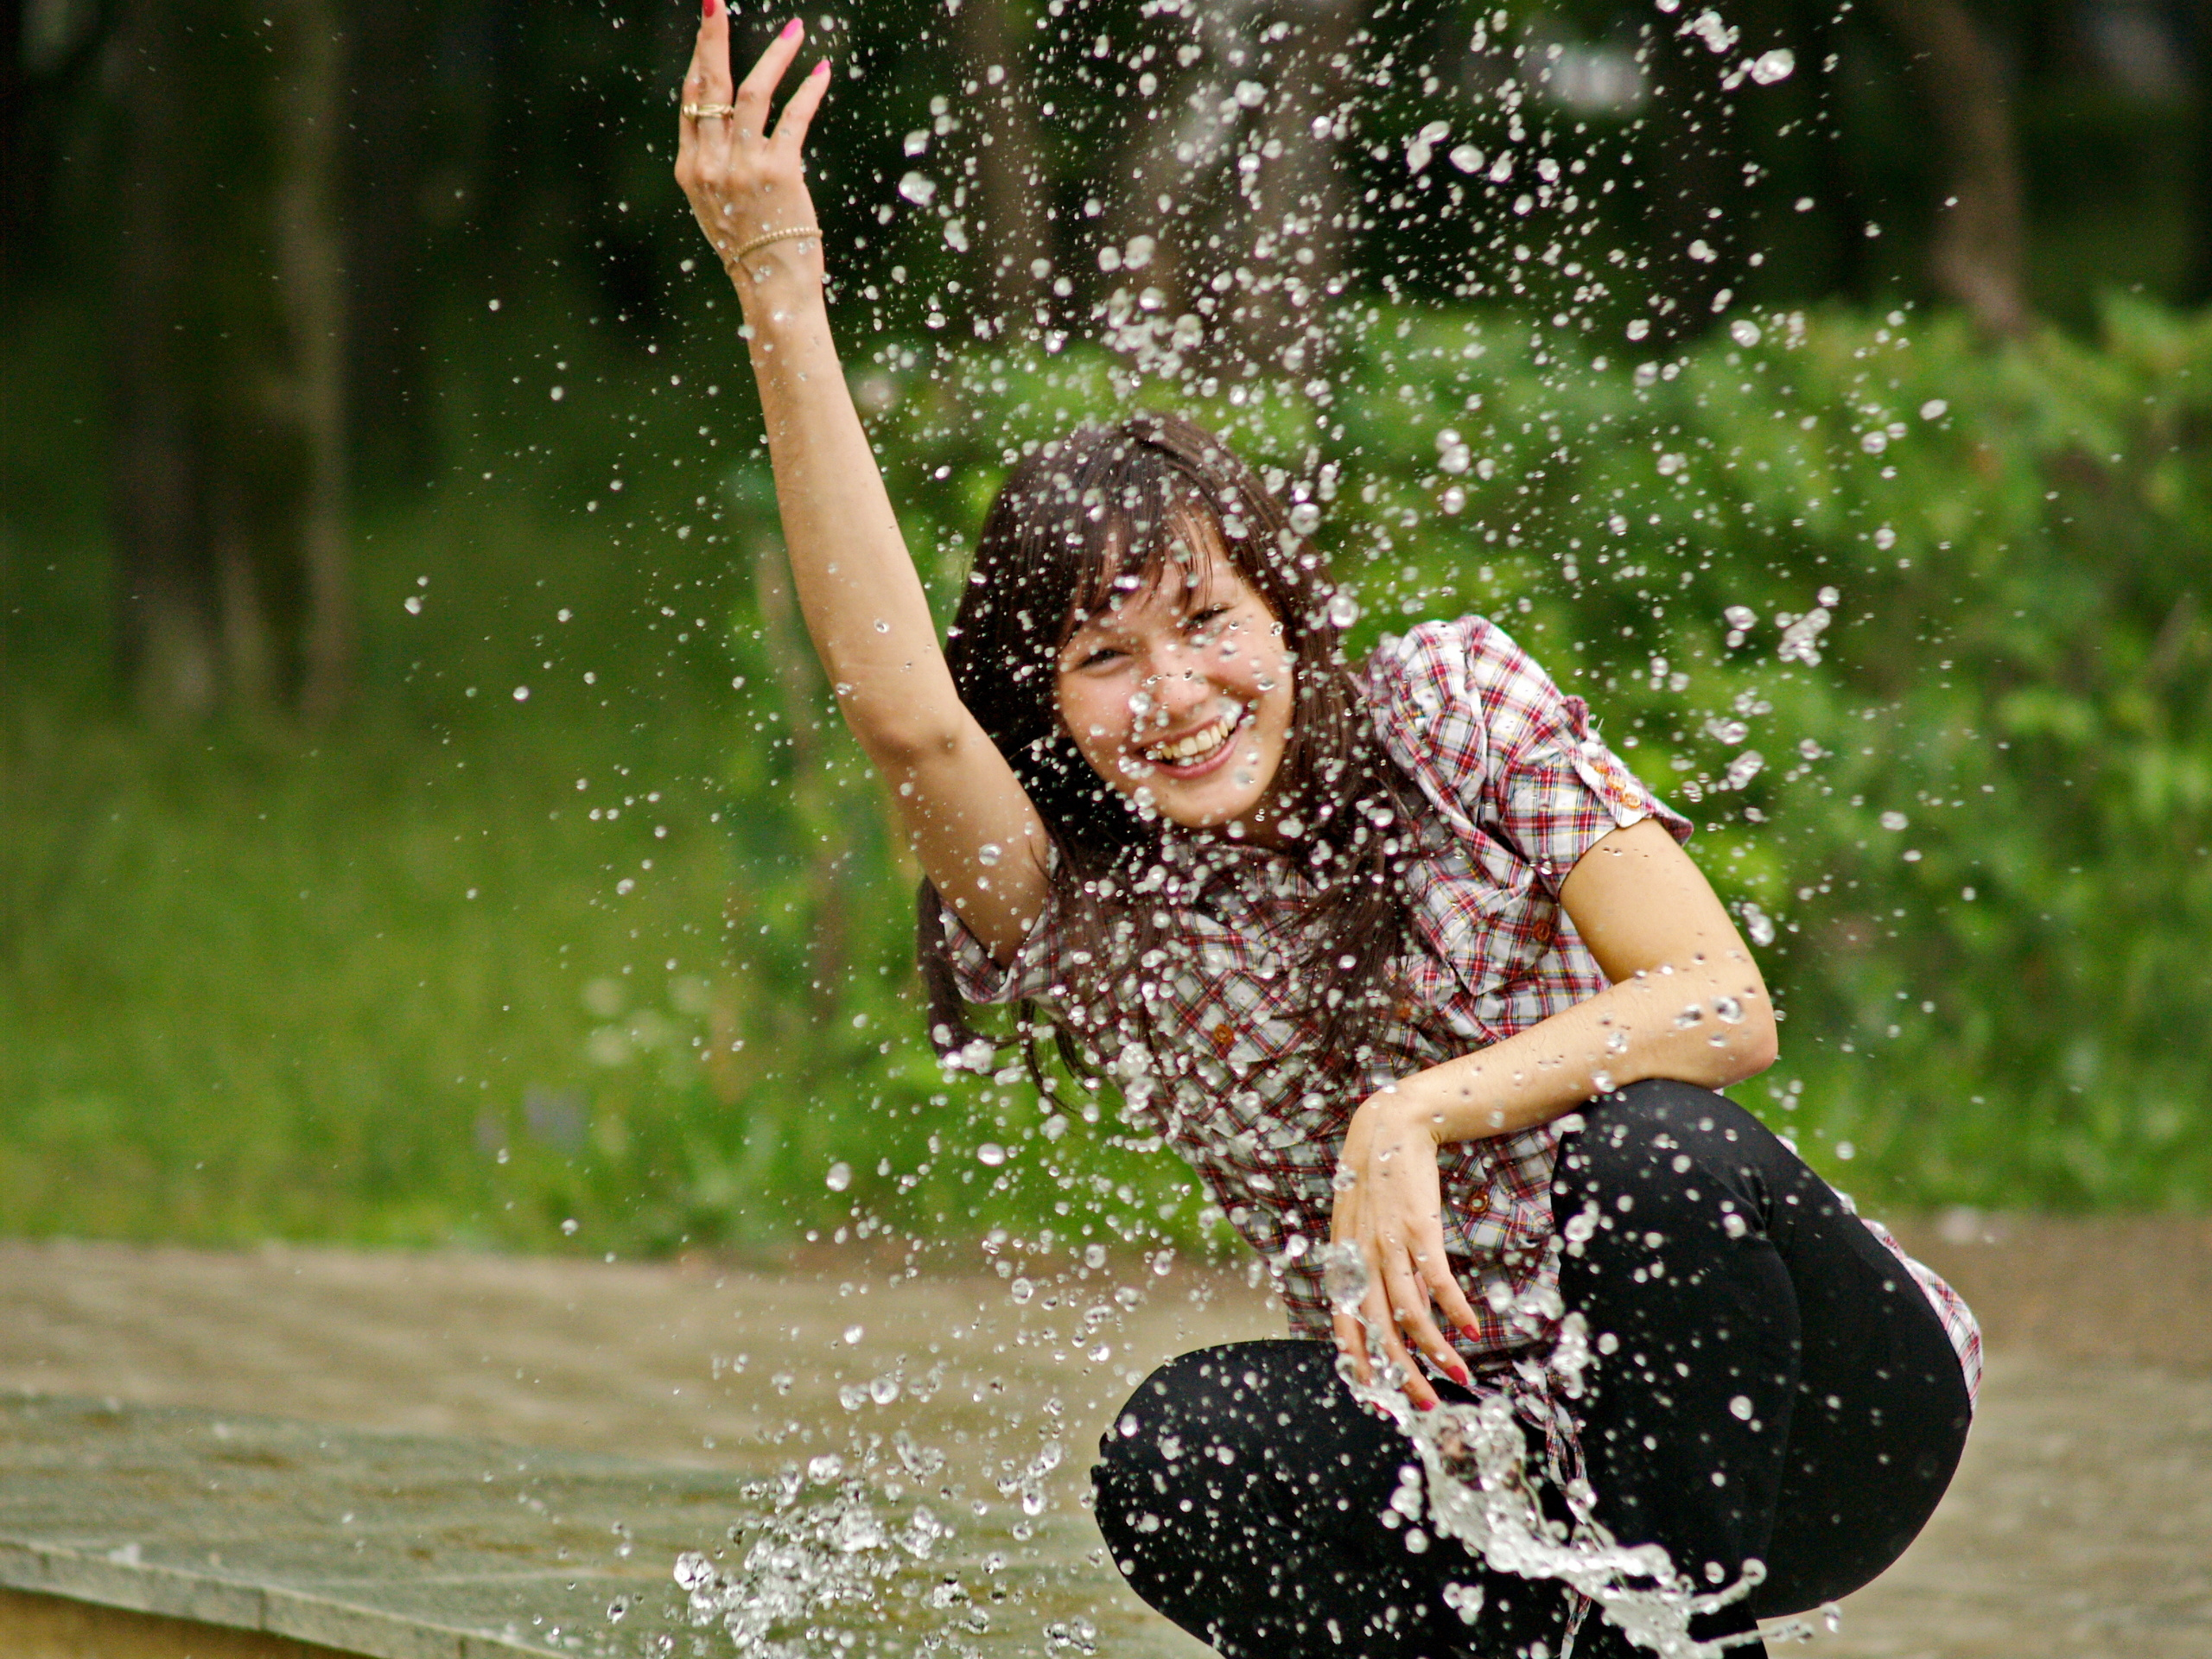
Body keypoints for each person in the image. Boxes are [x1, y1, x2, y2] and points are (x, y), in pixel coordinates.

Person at [673, 13, 1980, 1657]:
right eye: (1102, 657)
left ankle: (1681, 1638)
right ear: (1053, 710)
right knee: (1176, 1461)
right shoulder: (1094, 910)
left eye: (1207, 620)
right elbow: (904, 713)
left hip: (1811, 1417)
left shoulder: (1449, 703)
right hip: (1500, 1466)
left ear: (1286, 611)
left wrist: (1409, 1119)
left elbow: (1722, 1003)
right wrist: (779, 289)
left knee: (1660, 1150)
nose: (1175, 693)